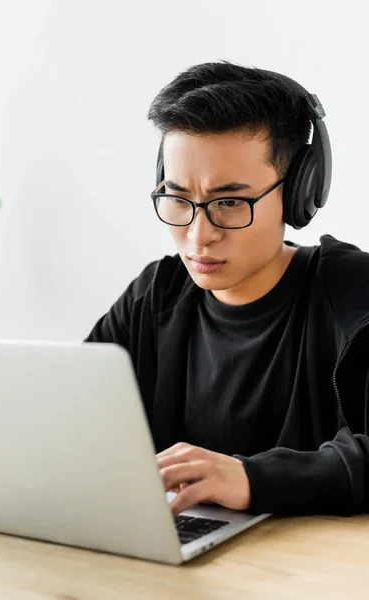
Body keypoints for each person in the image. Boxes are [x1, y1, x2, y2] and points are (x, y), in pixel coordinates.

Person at [85, 61, 369, 517]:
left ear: (300, 192)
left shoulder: (355, 297)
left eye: (230, 202)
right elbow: (67, 423)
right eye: (178, 199)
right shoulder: (155, 295)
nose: (199, 236)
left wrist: (255, 479)